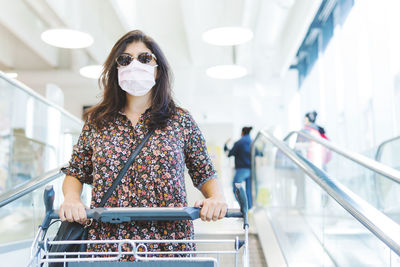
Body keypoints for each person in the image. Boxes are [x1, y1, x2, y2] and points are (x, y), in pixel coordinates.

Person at [59, 30, 227, 260]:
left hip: (168, 245)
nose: (134, 64)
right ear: (116, 70)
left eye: (145, 58)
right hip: (109, 245)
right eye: (125, 59)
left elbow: (205, 171)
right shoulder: (97, 122)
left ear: (158, 70)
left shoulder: (180, 120)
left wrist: (215, 198)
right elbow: (75, 172)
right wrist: (72, 199)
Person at [224, 127, 253, 209]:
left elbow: (229, 154)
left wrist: (225, 145)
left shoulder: (239, 143)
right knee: (248, 191)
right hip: (251, 170)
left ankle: (244, 209)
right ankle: (249, 209)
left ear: (242, 132)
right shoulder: (252, 142)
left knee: (236, 188)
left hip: (241, 170)